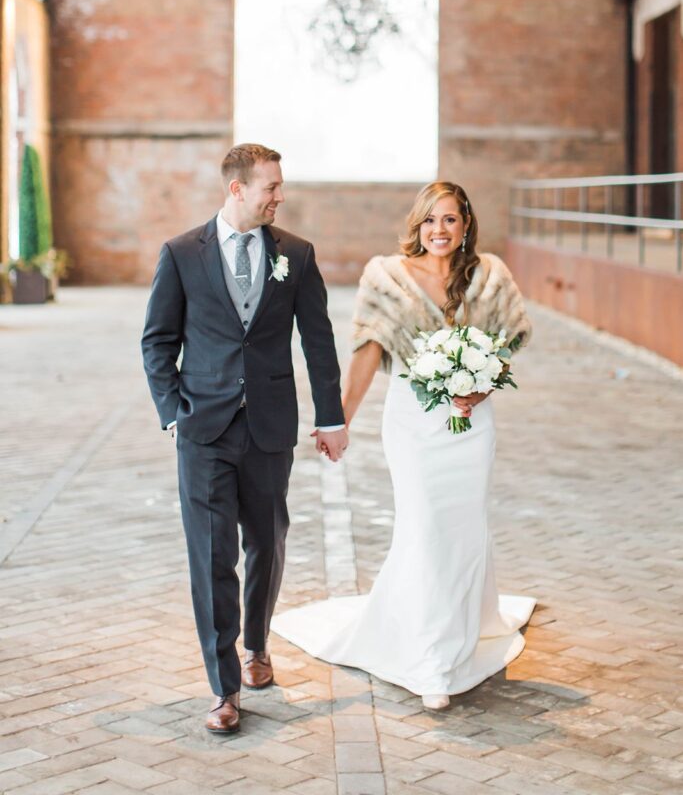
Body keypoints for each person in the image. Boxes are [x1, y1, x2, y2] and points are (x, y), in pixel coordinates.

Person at [272, 181, 535, 710]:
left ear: (466, 225)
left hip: (471, 423)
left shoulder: (490, 275)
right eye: (430, 220)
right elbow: (368, 351)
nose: (440, 230)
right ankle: (433, 659)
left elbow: (507, 344)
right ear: (417, 225)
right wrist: (336, 419)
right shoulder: (385, 276)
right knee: (426, 527)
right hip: (413, 424)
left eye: (451, 220)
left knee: (464, 526)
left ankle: (465, 626)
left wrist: (482, 384)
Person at [141, 143, 348, 734]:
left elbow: (318, 341)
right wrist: (174, 411)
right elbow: (157, 341)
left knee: (268, 539)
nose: (279, 197)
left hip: (269, 427)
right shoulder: (182, 254)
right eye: (271, 187)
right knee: (211, 557)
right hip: (202, 429)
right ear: (237, 189)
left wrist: (330, 417)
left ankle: (257, 643)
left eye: (279, 187)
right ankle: (223, 687)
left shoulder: (297, 255)